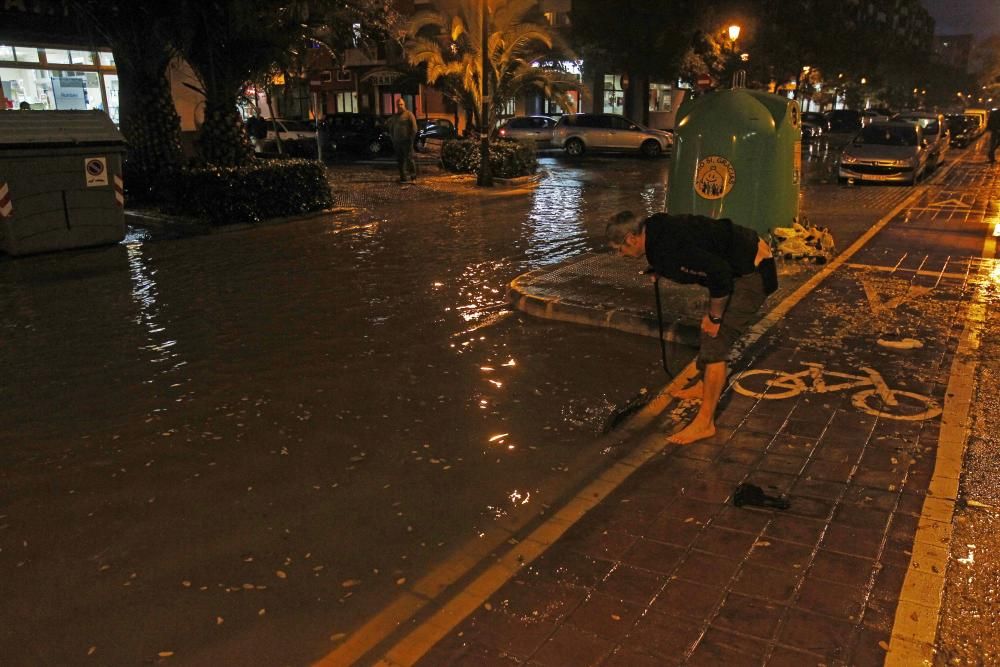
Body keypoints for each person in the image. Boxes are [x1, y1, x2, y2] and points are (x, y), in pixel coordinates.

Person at [607, 211, 778, 445]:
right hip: (738, 262)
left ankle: (705, 423)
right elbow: (694, 251)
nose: (620, 255)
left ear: (631, 238)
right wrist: (661, 269)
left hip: (753, 273)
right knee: (708, 325)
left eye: (620, 249)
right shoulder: (655, 230)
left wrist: (716, 318)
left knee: (716, 339)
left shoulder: (670, 249)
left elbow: (720, 275)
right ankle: (701, 385)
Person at [388, 98, 418, 183]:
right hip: (397, 142)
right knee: (400, 160)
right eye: (398, 105)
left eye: (401, 104)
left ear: (404, 105)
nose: (400, 106)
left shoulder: (409, 114)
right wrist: (393, 138)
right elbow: (391, 128)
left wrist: (411, 139)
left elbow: (414, 128)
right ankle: (403, 177)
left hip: (407, 142)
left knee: (410, 159)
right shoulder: (395, 116)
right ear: (396, 106)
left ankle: (413, 178)